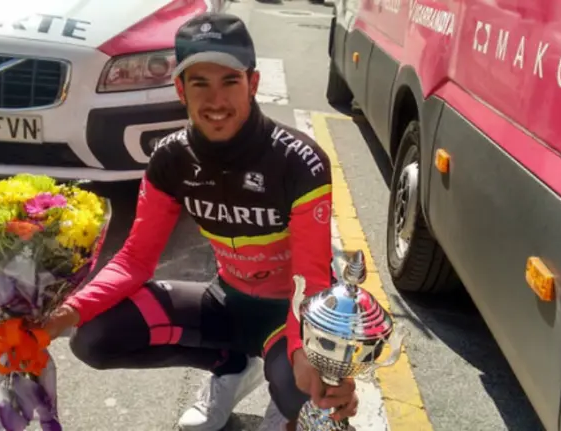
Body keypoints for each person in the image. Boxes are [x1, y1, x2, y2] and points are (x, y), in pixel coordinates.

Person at [43, 12, 359, 431]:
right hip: (226, 300)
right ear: (179, 88)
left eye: (229, 81)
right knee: (93, 337)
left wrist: (306, 352)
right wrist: (62, 315)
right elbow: (136, 258)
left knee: (300, 387)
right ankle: (231, 368)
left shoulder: (298, 159)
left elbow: (311, 281)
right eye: (199, 83)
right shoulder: (171, 158)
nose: (215, 101)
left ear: (254, 83)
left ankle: (284, 398)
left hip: (287, 313)